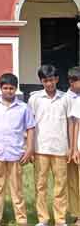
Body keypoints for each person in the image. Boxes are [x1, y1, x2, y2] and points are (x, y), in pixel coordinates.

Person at [0, 73, 35, 226]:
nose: (8, 91)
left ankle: (21, 220)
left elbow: (30, 129)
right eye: (5, 88)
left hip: (16, 153)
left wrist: (29, 149)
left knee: (17, 189)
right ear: (0, 88)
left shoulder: (23, 107)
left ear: (16, 89)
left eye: (11, 88)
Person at [28, 64, 72, 226]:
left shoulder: (65, 98)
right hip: (40, 148)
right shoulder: (34, 98)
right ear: (41, 81)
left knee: (60, 185)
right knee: (40, 185)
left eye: (52, 80)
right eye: (46, 81)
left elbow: (70, 124)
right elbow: (30, 125)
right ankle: (43, 218)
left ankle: (60, 219)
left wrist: (71, 147)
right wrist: (30, 148)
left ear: (57, 80)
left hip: (61, 148)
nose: (49, 84)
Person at [68, 67, 80, 226]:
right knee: (75, 183)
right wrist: (74, 148)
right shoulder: (76, 100)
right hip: (77, 146)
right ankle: (78, 215)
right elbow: (76, 124)